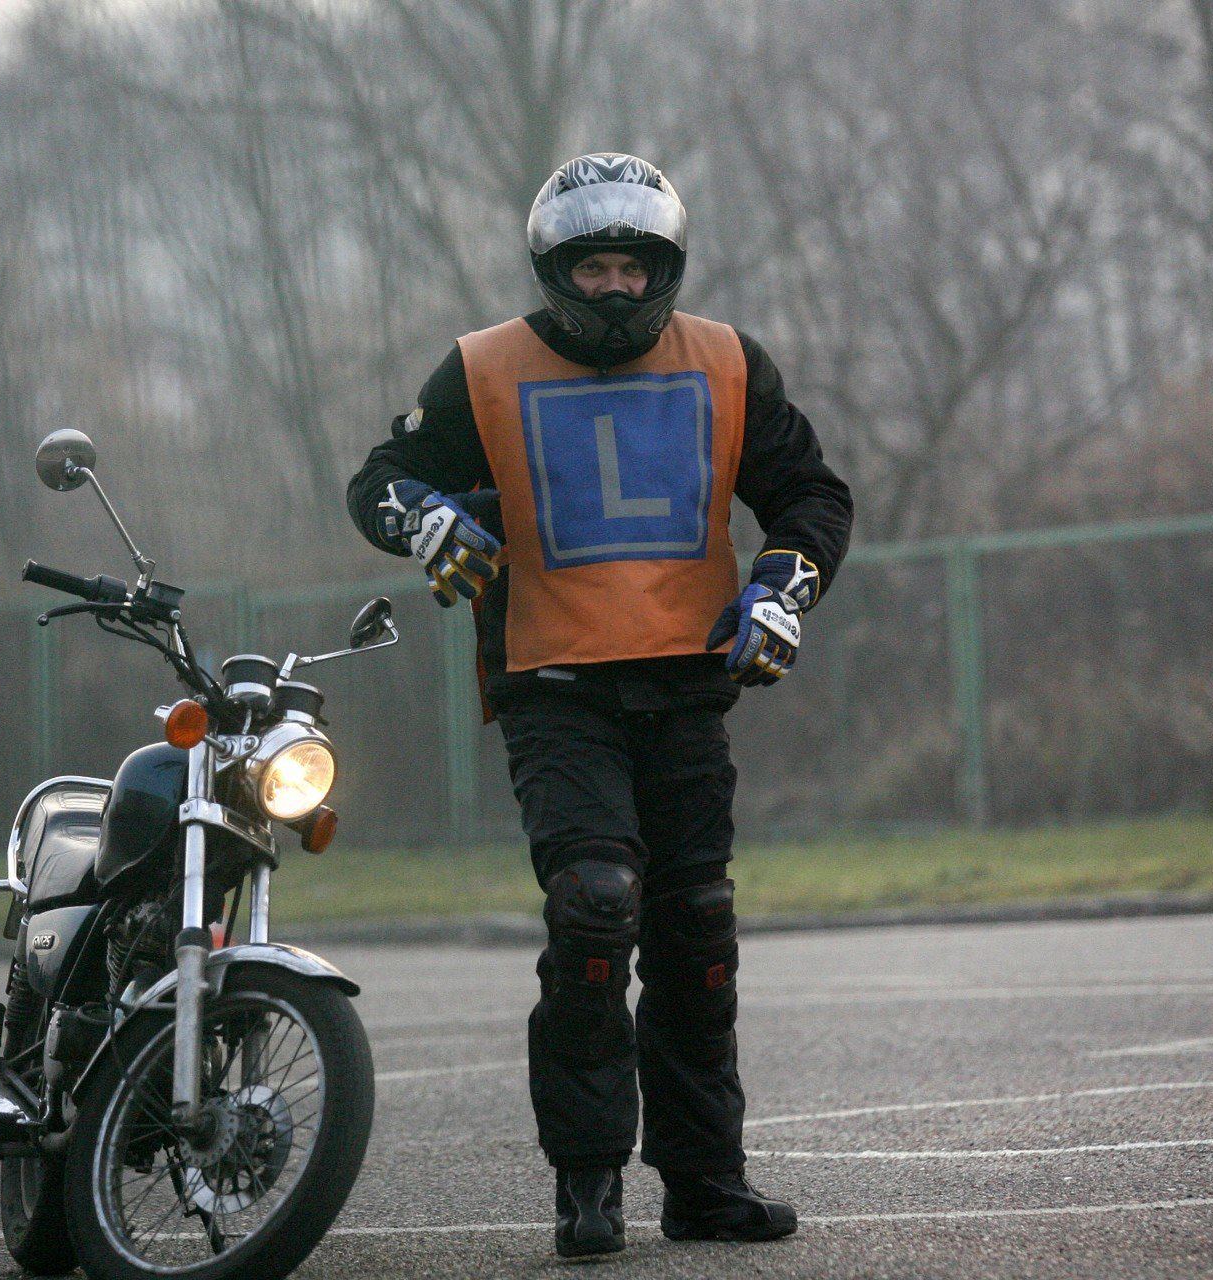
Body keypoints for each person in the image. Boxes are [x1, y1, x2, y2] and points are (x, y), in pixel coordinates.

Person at [346, 152, 852, 1258]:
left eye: (635, 264)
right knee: (594, 903)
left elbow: (812, 490)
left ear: (664, 266)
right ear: (554, 268)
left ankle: (706, 1181)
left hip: (687, 687)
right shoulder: (482, 366)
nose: (616, 285)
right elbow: (379, 476)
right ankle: (588, 1181)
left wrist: (784, 587)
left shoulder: (726, 359)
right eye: (594, 264)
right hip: (555, 688)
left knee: (696, 932)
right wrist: (423, 518)